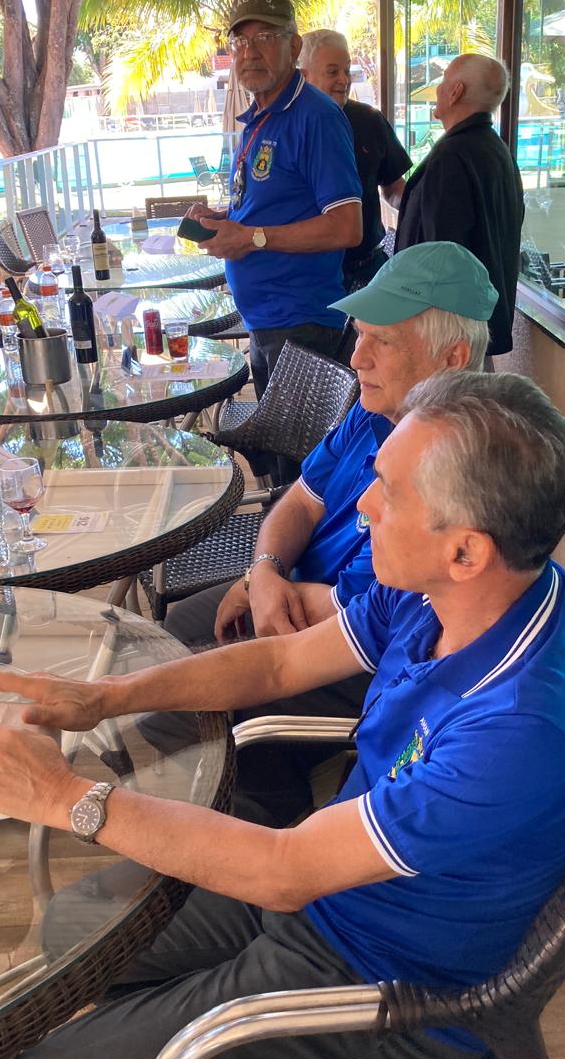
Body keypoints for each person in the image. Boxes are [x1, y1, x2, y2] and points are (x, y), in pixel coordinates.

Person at [0, 371, 565, 1059]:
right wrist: (107, 697)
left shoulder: (520, 729)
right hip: (331, 892)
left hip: (388, 987)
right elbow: (280, 663)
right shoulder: (449, 591)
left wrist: (64, 797)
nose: (364, 505)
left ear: (467, 551)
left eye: (389, 493)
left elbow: (285, 871)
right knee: (76, 927)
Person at [163, 242, 497, 821]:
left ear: (453, 357)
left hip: (363, 658)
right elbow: (300, 500)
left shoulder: (462, 467)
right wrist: (264, 569)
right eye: (359, 335)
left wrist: (268, 588)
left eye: (382, 341)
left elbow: (362, 613)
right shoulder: (374, 411)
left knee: (183, 705)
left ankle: (269, 818)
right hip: (294, 593)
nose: (356, 358)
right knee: (167, 639)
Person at [188, 0, 363, 399]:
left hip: (301, 325)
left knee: (298, 445)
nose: (249, 52)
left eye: (265, 38)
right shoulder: (262, 115)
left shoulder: (317, 117)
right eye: (240, 41)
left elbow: (347, 227)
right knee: (274, 442)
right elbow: (271, 203)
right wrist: (224, 220)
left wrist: (250, 237)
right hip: (266, 321)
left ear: (294, 46)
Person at [394, 54, 525, 358]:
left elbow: (441, 255)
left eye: (443, 82)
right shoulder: (496, 150)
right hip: (473, 328)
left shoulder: (452, 157)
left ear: (456, 92)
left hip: (448, 337)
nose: (438, 89)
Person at [298, 29, 411, 291]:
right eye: (332, 72)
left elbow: (394, 188)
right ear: (304, 76)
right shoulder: (288, 128)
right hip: (308, 276)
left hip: (367, 268)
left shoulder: (369, 120)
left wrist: (423, 211)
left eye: (347, 71)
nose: (343, 80)